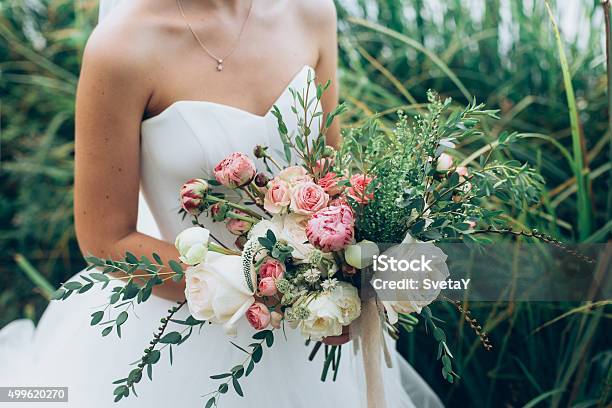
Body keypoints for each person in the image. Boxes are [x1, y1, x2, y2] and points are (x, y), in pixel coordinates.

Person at [0, 1, 443, 406]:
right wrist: (262, 288)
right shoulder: (120, 48)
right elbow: (104, 238)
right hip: (187, 332)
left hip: (312, 335)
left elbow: (330, 175)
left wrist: (347, 273)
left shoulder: (311, 12)